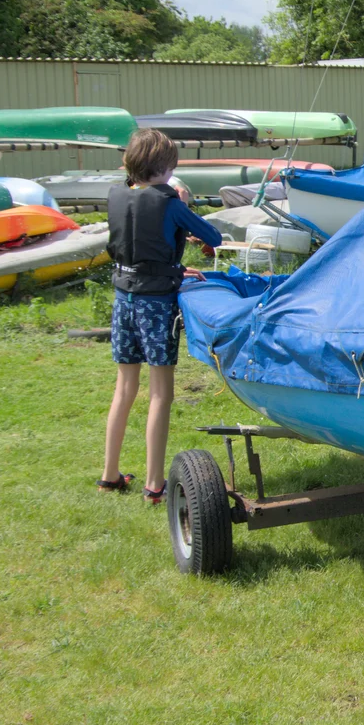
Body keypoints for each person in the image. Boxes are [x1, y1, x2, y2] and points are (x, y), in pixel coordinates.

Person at [98, 128, 224, 504]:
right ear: (168, 167)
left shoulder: (117, 196)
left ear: (130, 164)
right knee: (160, 394)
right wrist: (183, 205)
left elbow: (138, 246)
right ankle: (154, 484)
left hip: (124, 297)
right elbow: (213, 237)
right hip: (155, 304)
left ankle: (109, 475)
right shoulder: (171, 202)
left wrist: (172, 266)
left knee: (123, 390)